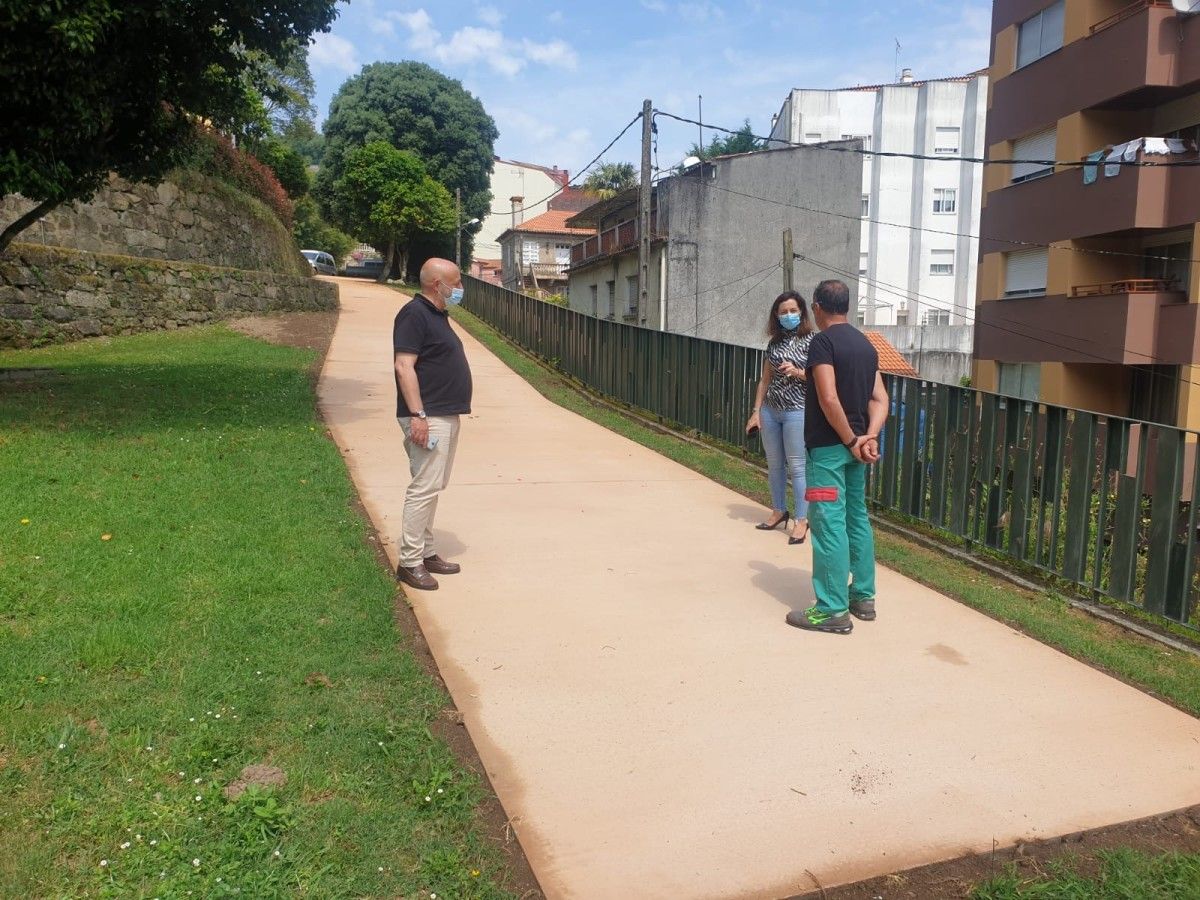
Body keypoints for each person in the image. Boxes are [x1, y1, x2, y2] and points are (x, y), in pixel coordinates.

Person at [787, 279, 889, 635]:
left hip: (829, 452)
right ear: (846, 305)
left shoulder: (822, 342)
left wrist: (848, 440)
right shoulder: (865, 345)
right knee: (856, 520)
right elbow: (880, 400)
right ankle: (862, 597)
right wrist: (868, 437)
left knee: (828, 524)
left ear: (816, 307)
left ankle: (831, 609)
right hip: (856, 450)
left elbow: (828, 398)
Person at [392, 257, 473, 591]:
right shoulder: (414, 314)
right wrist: (418, 415)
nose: (459, 288)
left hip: (444, 413)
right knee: (424, 487)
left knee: (433, 486)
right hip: (428, 416)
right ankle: (409, 563)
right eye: (455, 282)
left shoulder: (438, 315)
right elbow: (403, 366)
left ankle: (425, 553)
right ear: (435, 284)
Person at [745, 290, 814, 545]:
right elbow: (765, 380)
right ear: (776, 315)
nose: (788, 315)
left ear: (802, 312)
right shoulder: (774, 343)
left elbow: (819, 377)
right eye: (783, 312)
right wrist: (756, 411)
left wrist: (796, 372)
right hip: (771, 411)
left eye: (792, 311)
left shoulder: (812, 341)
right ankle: (778, 510)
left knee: (797, 467)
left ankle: (802, 520)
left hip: (797, 410)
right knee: (774, 464)